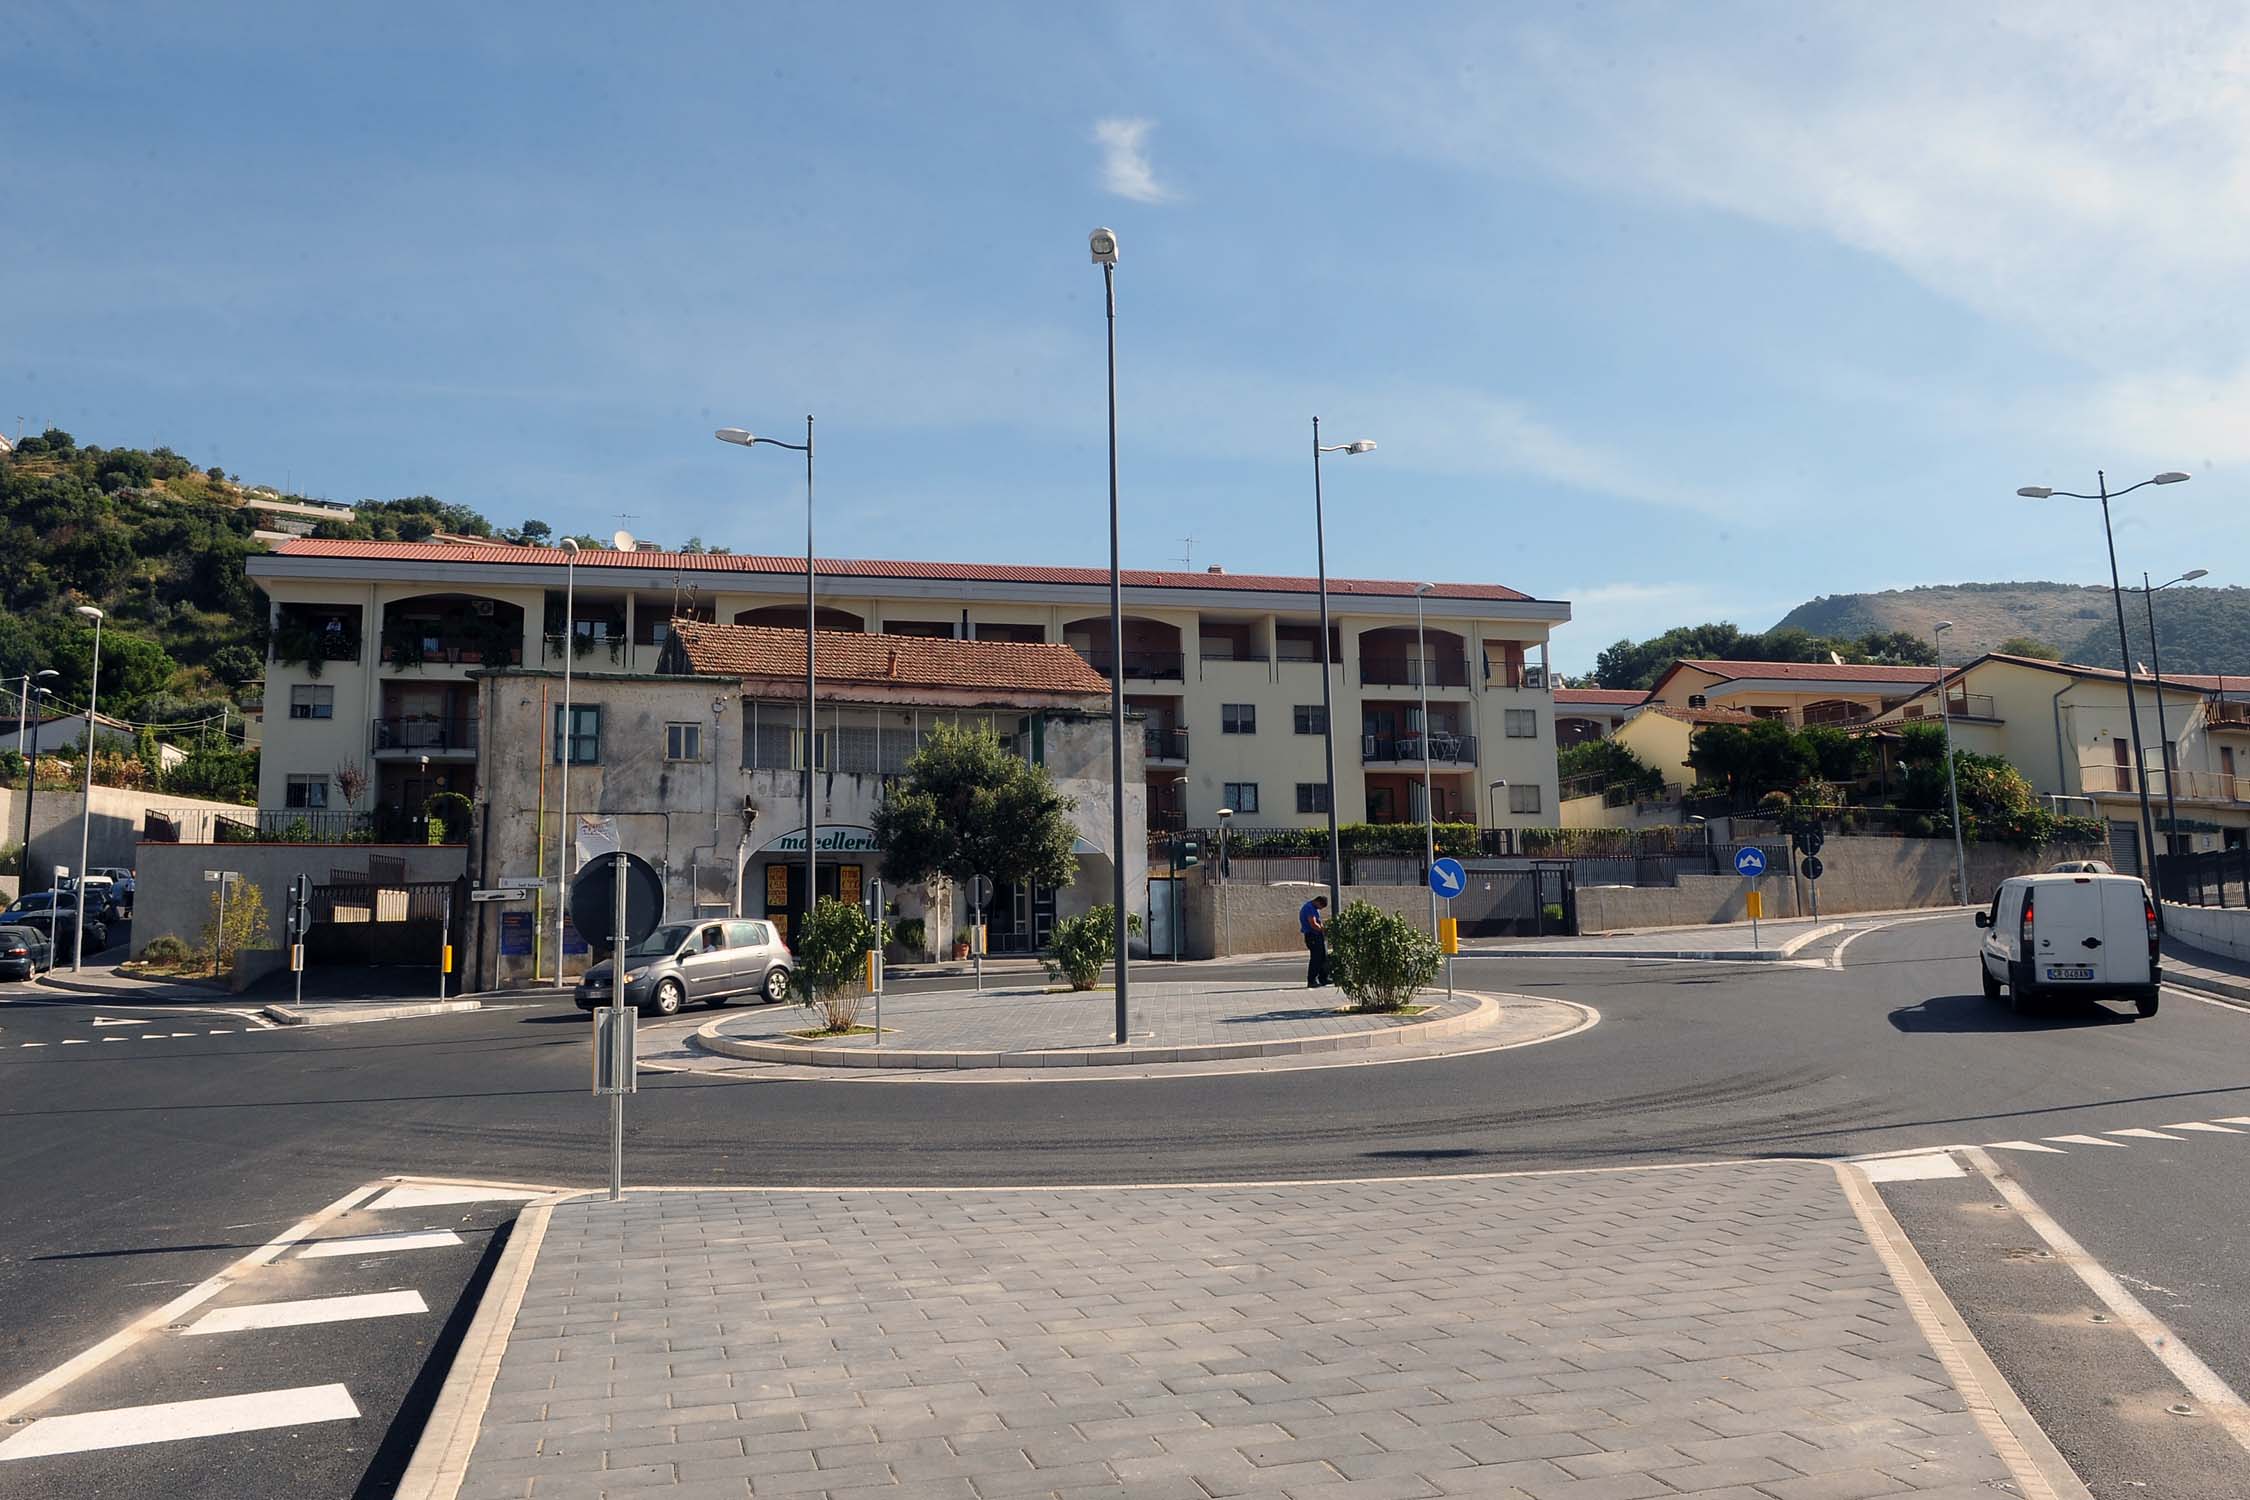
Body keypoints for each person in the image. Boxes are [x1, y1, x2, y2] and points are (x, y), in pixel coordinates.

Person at [1300, 894, 1330, 988]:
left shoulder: (1313, 908)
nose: (1320, 909)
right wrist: (1323, 930)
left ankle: (1323, 978)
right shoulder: (1309, 908)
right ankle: (1312, 980)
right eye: (1321, 907)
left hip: (1316, 935)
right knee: (1316, 959)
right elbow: (1313, 924)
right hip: (1312, 936)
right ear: (1317, 902)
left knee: (1322, 957)